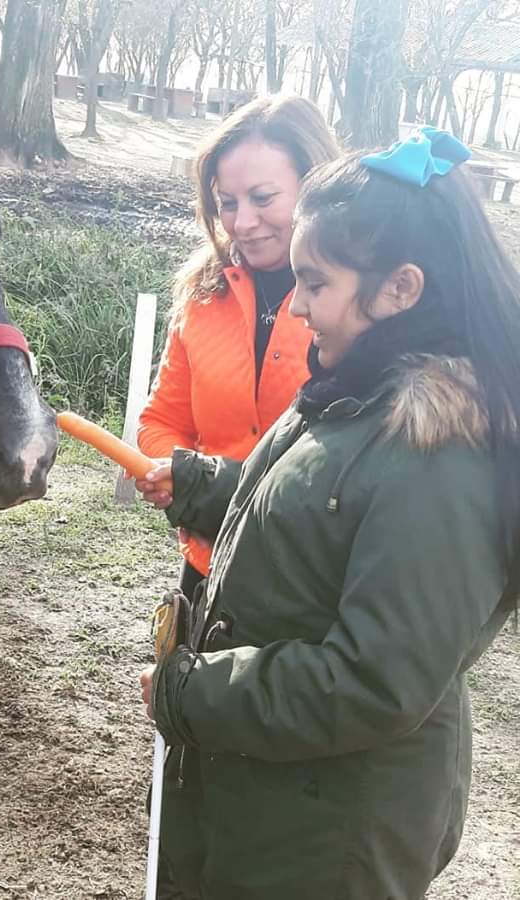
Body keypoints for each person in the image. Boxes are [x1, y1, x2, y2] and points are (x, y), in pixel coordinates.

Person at [136, 129, 520, 900]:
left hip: (328, 838)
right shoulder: (359, 386)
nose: (300, 307)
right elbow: (328, 511)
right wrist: (215, 488)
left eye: (316, 285)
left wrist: (188, 693)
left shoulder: (439, 449)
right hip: (275, 804)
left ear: (401, 288)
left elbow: (375, 679)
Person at [137, 95, 339, 601]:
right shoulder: (202, 297)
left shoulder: (358, 307)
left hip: (310, 586)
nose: (241, 223)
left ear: (317, 187)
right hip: (209, 566)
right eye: (227, 203)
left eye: (264, 197)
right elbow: (160, 422)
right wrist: (178, 473)